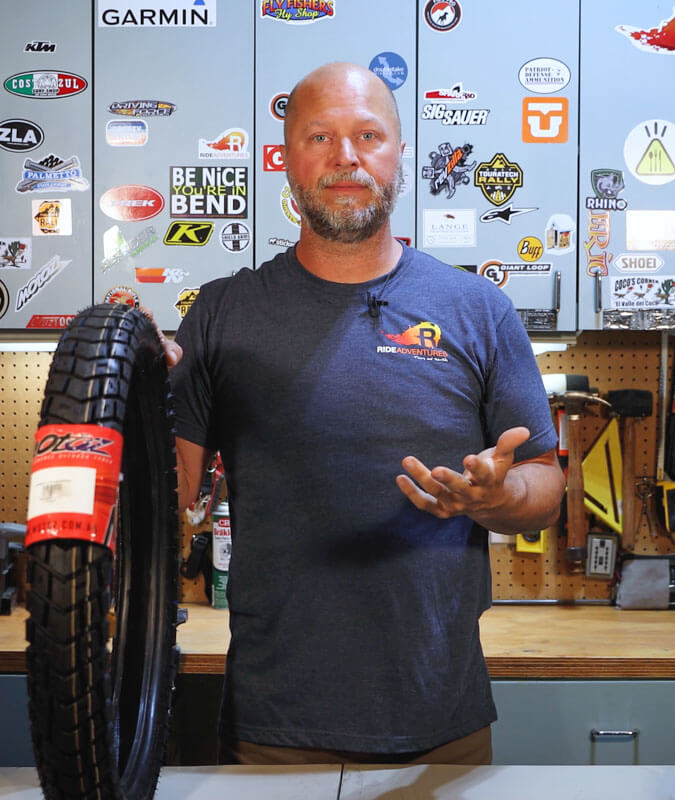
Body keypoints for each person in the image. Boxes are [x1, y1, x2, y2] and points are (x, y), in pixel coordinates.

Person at [162, 61, 565, 766]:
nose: (346, 157)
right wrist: (130, 395)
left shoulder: (477, 310)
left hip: (443, 722)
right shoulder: (223, 313)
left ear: (398, 152)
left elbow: (546, 486)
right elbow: (170, 500)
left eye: (368, 135)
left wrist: (497, 498)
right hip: (278, 727)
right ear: (286, 160)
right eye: (320, 137)